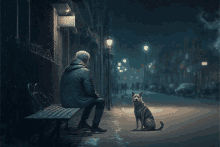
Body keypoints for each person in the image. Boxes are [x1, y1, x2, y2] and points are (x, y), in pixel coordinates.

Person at [60, 50, 107, 132]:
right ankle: (94, 126)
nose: (88, 62)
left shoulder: (67, 69)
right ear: (85, 59)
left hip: (64, 101)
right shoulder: (85, 71)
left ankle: (82, 123)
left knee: (90, 100)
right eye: (88, 60)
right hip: (75, 101)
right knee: (100, 101)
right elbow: (90, 91)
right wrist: (96, 95)